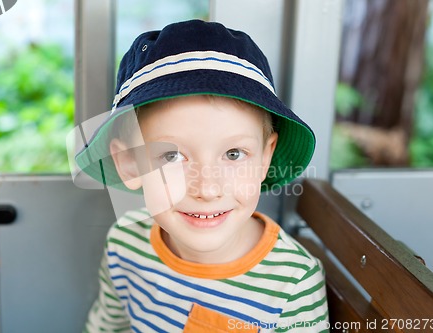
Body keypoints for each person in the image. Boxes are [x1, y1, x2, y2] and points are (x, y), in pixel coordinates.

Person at [76, 19, 328, 333]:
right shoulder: (124, 246)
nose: (207, 189)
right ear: (130, 163)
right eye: (171, 156)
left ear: (266, 157)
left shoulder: (293, 282)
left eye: (233, 154)